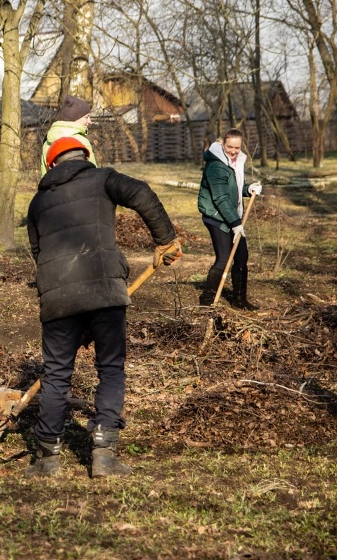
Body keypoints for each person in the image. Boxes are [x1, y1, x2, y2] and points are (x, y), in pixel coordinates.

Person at [26, 136, 182, 478]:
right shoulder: (103, 178)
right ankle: (104, 453)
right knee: (110, 368)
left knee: (56, 373)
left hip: (58, 298)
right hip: (105, 292)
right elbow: (142, 193)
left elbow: (38, 253)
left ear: (51, 166)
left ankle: (47, 458)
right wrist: (166, 240)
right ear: (86, 156)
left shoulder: (38, 202)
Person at [197, 128, 262, 309]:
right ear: (223, 144)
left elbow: (233, 188)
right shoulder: (216, 166)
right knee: (224, 258)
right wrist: (236, 223)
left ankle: (239, 300)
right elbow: (221, 198)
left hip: (230, 215)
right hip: (216, 216)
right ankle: (207, 301)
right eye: (230, 147)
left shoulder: (233, 162)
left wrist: (248, 189)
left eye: (237, 148)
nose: (233, 151)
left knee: (241, 256)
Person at [40, 95, 97, 176]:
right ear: (75, 117)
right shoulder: (81, 142)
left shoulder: (47, 142)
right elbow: (93, 175)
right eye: (86, 117)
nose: (90, 121)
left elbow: (44, 176)